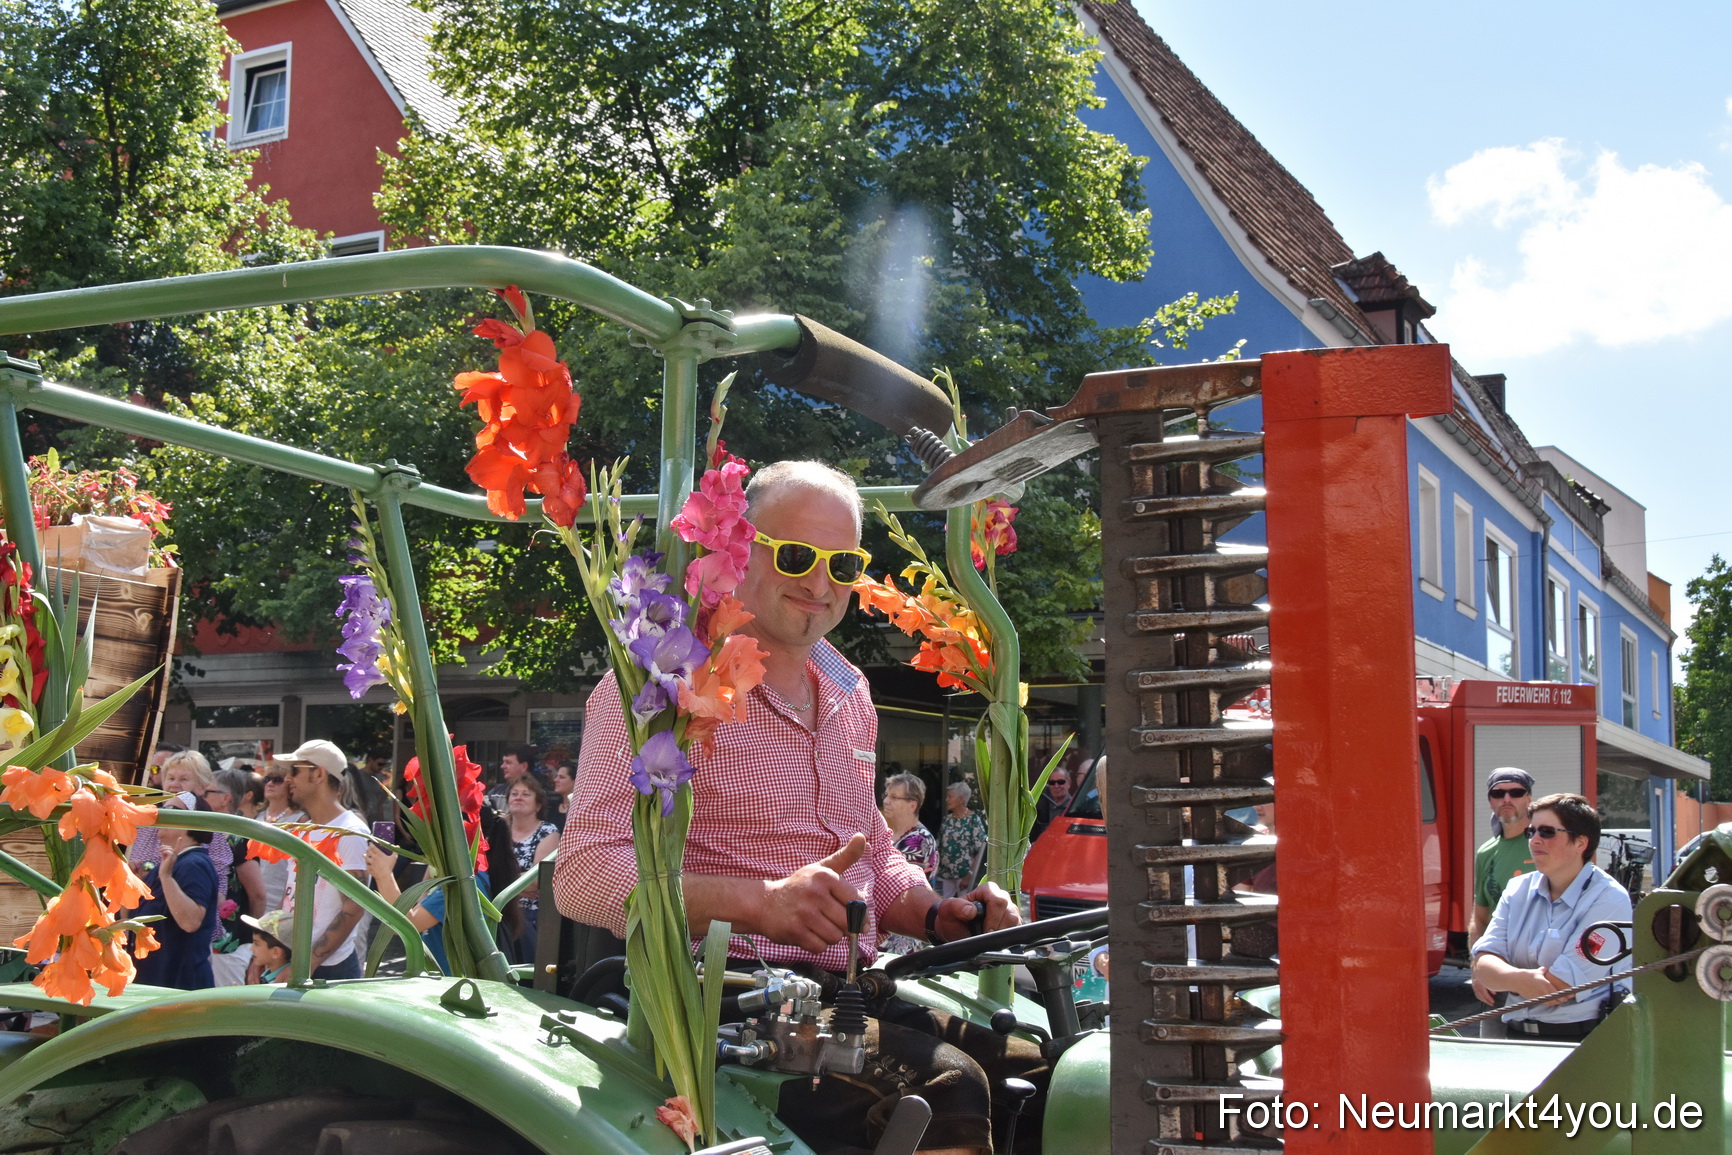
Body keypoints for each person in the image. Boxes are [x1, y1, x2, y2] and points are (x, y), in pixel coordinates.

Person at [557, 460, 1033, 1155]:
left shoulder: (850, 691)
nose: (819, 582)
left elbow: (871, 852)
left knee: (1040, 1068)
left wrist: (937, 912)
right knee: (947, 1085)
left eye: (842, 564)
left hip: (848, 992)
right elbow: (583, 873)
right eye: (796, 556)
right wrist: (760, 902)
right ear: (739, 550)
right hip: (719, 995)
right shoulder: (660, 686)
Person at [1471, 792, 1632, 1040]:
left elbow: (1560, 987)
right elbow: (1482, 967)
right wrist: (1522, 979)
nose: (1534, 840)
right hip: (1516, 1039)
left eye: (1547, 832)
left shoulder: (1610, 899)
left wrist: (1505, 978)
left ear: (1581, 843)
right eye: (1531, 831)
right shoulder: (1517, 889)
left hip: (1583, 1043)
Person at [277, 739, 370, 979]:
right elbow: (289, 893)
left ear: (319, 774)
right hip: (294, 959)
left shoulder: (350, 832)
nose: (287, 779)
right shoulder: (302, 829)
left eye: (294, 770)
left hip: (329, 969)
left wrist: (308, 963)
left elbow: (354, 908)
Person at [129, 749, 234, 947]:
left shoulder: (208, 829)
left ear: (202, 787)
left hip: (183, 934)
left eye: (184, 779)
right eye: (170, 778)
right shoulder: (146, 823)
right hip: (143, 924)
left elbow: (218, 895)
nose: (175, 784)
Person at [131, 793, 219, 991]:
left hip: (179, 986)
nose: (162, 814)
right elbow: (133, 918)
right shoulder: (169, 864)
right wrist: (131, 884)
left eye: (170, 810)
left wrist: (167, 878)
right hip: (156, 981)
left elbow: (190, 922)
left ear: (191, 821)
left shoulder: (194, 863)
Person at [1469, 767, 1537, 944]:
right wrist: (1478, 957)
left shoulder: (1545, 843)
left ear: (1529, 799)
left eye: (1516, 793)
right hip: (1499, 954)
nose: (1506, 799)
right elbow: (1480, 918)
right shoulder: (1486, 852)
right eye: (1498, 793)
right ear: (1490, 802)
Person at [880, 772, 937, 955]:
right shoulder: (889, 834)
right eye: (886, 795)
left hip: (903, 935)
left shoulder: (919, 839)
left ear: (912, 805)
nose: (886, 801)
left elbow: (898, 890)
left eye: (894, 797)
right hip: (888, 925)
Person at [505, 775, 559, 961]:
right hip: (498, 910)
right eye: (514, 794)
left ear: (538, 805)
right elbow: (483, 873)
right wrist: (518, 881)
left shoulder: (548, 831)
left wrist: (502, 880)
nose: (518, 798)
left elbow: (536, 880)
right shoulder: (497, 828)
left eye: (526, 794)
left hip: (530, 916)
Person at [257, 763, 306, 914]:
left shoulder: (300, 820)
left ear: (290, 785)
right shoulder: (257, 817)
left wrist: (283, 905)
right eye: (267, 779)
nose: (270, 784)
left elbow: (300, 867)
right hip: (254, 899)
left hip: (282, 900)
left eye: (277, 780)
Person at [935, 781, 987, 899]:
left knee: (964, 905)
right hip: (944, 874)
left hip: (964, 875)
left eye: (950, 796)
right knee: (942, 905)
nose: (946, 800)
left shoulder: (973, 820)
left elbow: (980, 851)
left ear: (961, 799)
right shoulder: (947, 820)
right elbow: (938, 847)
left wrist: (969, 875)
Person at [242, 909, 294, 984]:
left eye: (256, 944)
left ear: (276, 952)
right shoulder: (265, 975)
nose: (251, 948)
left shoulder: (282, 984)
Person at [1029, 758, 1073, 843]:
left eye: (1061, 782)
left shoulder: (1073, 808)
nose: (1056, 786)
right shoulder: (1042, 807)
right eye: (1052, 783)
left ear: (1069, 783)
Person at [486, 745, 538, 811]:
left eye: (508, 763)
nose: (502, 766)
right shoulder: (495, 791)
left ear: (524, 766)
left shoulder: (538, 792)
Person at [549, 763, 576, 829]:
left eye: (561, 777)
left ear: (574, 782)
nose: (555, 780)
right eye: (556, 776)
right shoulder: (550, 808)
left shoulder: (580, 809)